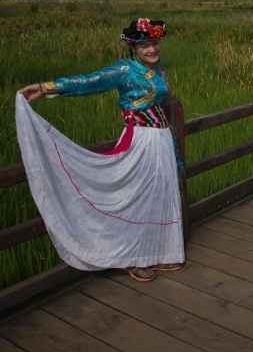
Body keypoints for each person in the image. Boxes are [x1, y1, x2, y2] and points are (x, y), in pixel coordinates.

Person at [16, 17, 185, 282]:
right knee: (134, 197)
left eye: (155, 43)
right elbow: (88, 81)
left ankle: (157, 251)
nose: (152, 49)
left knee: (156, 194)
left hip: (161, 141)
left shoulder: (156, 67)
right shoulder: (125, 70)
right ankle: (130, 256)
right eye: (146, 46)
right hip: (141, 139)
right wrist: (45, 88)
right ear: (133, 48)